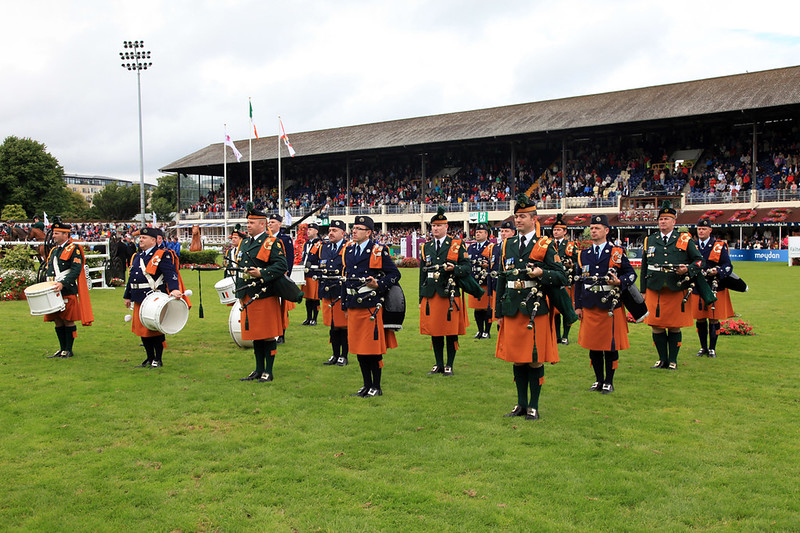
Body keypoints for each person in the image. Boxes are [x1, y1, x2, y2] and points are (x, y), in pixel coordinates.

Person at [495, 195, 567, 421]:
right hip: (512, 308)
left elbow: (561, 276)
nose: (518, 220)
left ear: (533, 219)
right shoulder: (508, 244)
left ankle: (533, 406)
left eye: (523, 216)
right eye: (516, 216)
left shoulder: (544, 244)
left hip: (536, 308)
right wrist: (497, 312)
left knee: (535, 359)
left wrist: (541, 273)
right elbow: (501, 279)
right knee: (517, 357)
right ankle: (520, 404)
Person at [574, 215, 636, 394]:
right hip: (590, 304)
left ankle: (609, 381)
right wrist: (578, 305)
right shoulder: (583, 254)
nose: (593, 231)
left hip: (610, 304)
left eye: (597, 228)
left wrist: (619, 281)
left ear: (606, 231)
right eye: (592, 228)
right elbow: (578, 282)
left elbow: (631, 274)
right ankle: (598, 379)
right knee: (593, 346)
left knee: (610, 346)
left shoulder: (616, 252)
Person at [640, 202, 705, 370]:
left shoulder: (684, 239)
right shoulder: (650, 240)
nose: (663, 222)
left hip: (676, 287)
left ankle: (673, 360)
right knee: (656, 324)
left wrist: (688, 269)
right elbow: (645, 266)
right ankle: (662, 359)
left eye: (667, 219)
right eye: (661, 219)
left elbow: (699, 260)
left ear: (674, 221)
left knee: (675, 325)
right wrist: (642, 290)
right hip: (655, 287)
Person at [341, 215, 401, 397]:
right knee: (359, 348)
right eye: (354, 228)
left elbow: (395, 274)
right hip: (353, 305)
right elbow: (346, 279)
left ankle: (376, 386)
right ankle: (366, 385)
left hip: (370, 305)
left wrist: (379, 284)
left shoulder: (378, 250)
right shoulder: (349, 251)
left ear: (368, 232)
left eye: (359, 228)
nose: (354, 231)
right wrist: (344, 304)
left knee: (372, 349)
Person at [419, 207, 477, 376]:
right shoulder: (426, 247)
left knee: (450, 332)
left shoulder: (456, 244)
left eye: (439, 226)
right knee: (435, 331)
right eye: (433, 226)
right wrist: (420, 296)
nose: (435, 229)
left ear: (446, 227)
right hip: (431, 294)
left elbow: (467, 267)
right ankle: (438, 363)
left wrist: (455, 268)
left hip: (449, 293)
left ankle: (449, 364)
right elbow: (422, 273)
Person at [236, 205, 289, 383]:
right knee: (255, 335)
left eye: (252, 222)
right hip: (247, 294)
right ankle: (258, 369)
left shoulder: (272, 242)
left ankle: (268, 370)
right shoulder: (245, 242)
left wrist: (261, 273)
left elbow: (282, 266)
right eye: (248, 222)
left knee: (267, 334)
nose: (248, 225)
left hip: (263, 293)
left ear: (262, 224)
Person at [123, 227, 183, 368]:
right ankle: (149, 358)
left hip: (153, 297)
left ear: (153, 240)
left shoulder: (162, 255)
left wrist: (174, 289)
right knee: (142, 331)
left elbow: (170, 273)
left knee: (154, 330)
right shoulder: (137, 256)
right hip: (138, 297)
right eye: (140, 238)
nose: (141, 240)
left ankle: (158, 359)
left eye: (144, 238)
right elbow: (132, 277)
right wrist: (127, 295)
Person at [43, 218, 93, 358]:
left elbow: (76, 269)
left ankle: (68, 349)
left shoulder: (74, 248)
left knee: (67, 319)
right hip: (53, 288)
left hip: (66, 288)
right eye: (53, 233)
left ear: (66, 234)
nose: (53, 236)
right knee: (57, 319)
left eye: (57, 233)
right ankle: (62, 348)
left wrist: (63, 283)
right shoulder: (54, 250)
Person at [692, 219, 735, 358]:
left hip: (715, 286)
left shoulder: (718, 245)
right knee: (700, 318)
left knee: (713, 318)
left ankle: (712, 348)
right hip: (698, 286)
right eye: (699, 229)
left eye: (704, 229)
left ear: (710, 230)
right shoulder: (693, 246)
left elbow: (728, 266)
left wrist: (718, 271)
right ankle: (703, 347)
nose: (701, 231)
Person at [319, 220, 350, 366]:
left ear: (343, 233)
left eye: (335, 230)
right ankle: (335, 354)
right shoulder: (324, 248)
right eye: (330, 230)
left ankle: (344, 355)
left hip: (340, 292)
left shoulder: (348, 247)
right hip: (328, 292)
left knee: (342, 326)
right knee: (332, 325)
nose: (331, 233)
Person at [550, 214, 578, 345]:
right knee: (555, 311)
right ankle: (556, 335)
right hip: (552, 281)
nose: (556, 232)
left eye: (559, 230)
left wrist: (571, 264)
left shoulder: (570, 245)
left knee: (566, 309)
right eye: (555, 230)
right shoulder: (549, 244)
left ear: (565, 231)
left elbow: (578, 262)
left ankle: (566, 336)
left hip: (566, 281)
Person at [269, 213, 295, 344]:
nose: (270, 224)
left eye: (273, 222)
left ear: (279, 224)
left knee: (281, 307)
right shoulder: (266, 239)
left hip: (280, 277)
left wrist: (286, 276)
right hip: (268, 278)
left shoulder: (285, 239)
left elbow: (289, 259)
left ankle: (281, 334)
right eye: (270, 221)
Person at [466, 223, 495, 339]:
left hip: (486, 282)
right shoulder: (471, 248)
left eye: (480, 232)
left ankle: (486, 331)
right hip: (474, 282)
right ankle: (479, 330)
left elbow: (495, 264)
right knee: (477, 308)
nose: (478, 234)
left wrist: (488, 266)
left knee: (487, 308)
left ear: (486, 234)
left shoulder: (491, 247)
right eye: (477, 232)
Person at [301, 222, 322, 326]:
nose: (308, 231)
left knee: (315, 297)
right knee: (308, 297)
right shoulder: (306, 244)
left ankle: (314, 318)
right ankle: (308, 318)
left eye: (310, 229)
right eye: (308, 229)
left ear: (316, 231)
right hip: (306, 273)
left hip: (314, 273)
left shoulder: (320, 244)